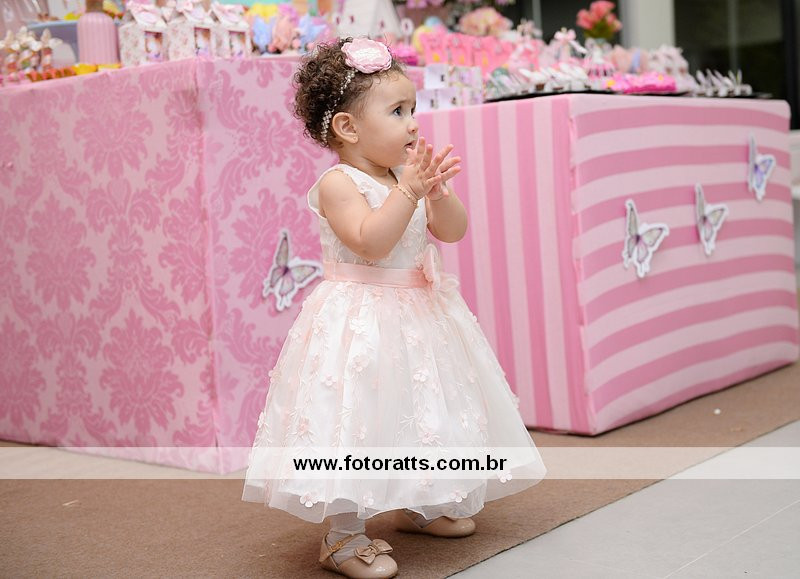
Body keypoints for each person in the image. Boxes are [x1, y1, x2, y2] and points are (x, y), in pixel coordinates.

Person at [242, 37, 545, 578]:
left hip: (418, 316)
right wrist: (409, 191)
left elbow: (452, 232)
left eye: (413, 109)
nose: (412, 124)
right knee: (358, 420)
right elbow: (371, 242)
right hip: (361, 321)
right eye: (398, 111)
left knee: (421, 409)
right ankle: (343, 535)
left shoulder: (402, 178)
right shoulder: (339, 184)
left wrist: (438, 193)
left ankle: (418, 501)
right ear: (348, 128)